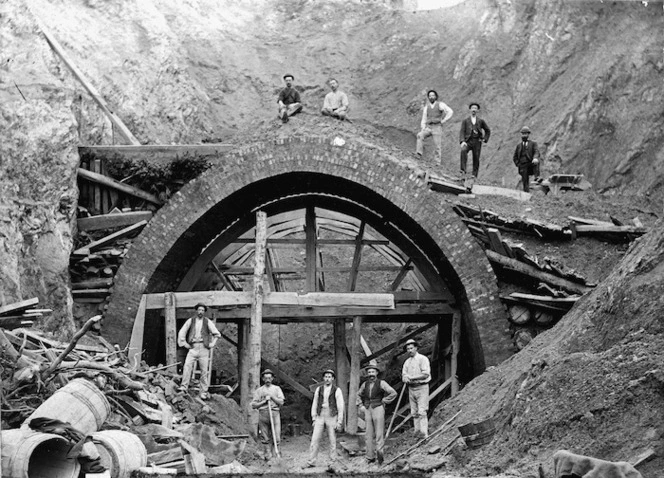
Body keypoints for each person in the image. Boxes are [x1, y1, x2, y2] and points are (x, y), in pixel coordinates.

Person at [177, 302, 221, 399]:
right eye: (199, 310)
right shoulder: (191, 321)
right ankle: (184, 387)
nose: (200, 312)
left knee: (204, 371)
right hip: (193, 347)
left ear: (204, 312)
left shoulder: (207, 321)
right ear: (196, 311)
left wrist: (212, 344)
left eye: (202, 310)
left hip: (204, 348)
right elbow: (182, 332)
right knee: (187, 366)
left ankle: (203, 392)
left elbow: (217, 334)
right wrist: (184, 344)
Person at [356, 363, 397, 465]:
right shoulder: (365, 384)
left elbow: (393, 393)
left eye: (373, 372)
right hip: (367, 409)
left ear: (377, 373)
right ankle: (369, 456)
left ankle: (380, 456)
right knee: (368, 434)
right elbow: (358, 394)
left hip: (378, 408)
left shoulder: (381, 383)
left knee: (379, 433)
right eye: (369, 372)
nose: (371, 374)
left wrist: (385, 400)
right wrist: (360, 404)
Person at [306, 369, 345, 467]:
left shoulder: (337, 390)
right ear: (323, 378)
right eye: (326, 377)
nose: (327, 379)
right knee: (315, 439)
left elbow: (341, 406)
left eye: (329, 377)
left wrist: (339, 421)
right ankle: (311, 461)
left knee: (332, 439)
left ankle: (332, 462)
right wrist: (314, 418)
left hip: (331, 416)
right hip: (320, 415)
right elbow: (315, 403)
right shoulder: (319, 389)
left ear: (332, 379)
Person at [251, 369, 285, 460]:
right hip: (263, 414)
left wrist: (272, 397)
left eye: (269, 378)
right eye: (266, 378)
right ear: (263, 379)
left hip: (274, 413)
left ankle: (276, 455)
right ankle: (268, 456)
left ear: (272, 378)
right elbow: (254, 405)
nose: (268, 380)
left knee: (276, 437)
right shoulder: (259, 390)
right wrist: (264, 401)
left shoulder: (277, 389)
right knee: (265, 437)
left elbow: (281, 402)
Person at [401, 339, 431, 438]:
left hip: (421, 387)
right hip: (411, 388)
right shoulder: (407, 362)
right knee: (414, 412)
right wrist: (405, 378)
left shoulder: (423, 359)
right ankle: (417, 433)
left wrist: (412, 378)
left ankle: (424, 434)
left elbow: (425, 374)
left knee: (422, 411)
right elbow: (404, 375)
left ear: (416, 348)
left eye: (411, 348)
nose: (409, 350)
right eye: (408, 349)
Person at [415, 90, 453, 163]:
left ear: (436, 96)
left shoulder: (440, 104)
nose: (431, 97)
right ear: (428, 97)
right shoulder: (427, 107)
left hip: (437, 127)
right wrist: (423, 127)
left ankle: (437, 162)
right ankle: (419, 153)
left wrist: (444, 120)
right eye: (430, 96)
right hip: (429, 127)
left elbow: (450, 111)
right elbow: (424, 118)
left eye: (433, 95)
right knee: (420, 135)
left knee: (437, 145)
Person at [459, 102, 491, 180]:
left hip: (477, 141)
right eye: (472, 108)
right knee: (463, 151)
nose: (474, 110)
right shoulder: (465, 121)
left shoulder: (481, 121)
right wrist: (462, 141)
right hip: (468, 141)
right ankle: (463, 171)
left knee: (476, 158)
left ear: (478, 111)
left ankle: (474, 175)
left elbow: (488, 130)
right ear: (470, 110)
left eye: (475, 108)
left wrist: (485, 139)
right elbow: (462, 131)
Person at [512, 126, 541, 192]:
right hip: (522, 165)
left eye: (525, 134)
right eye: (523, 134)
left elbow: (536, 151)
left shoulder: (533, 143)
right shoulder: (519, 146)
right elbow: (515, 157)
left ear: (528, 134)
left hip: (531, 163)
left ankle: (537, 178)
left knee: (536, 163)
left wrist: (535, 158)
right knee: (525, 181)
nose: (524, 135)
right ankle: (526, 193)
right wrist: (518, 164)